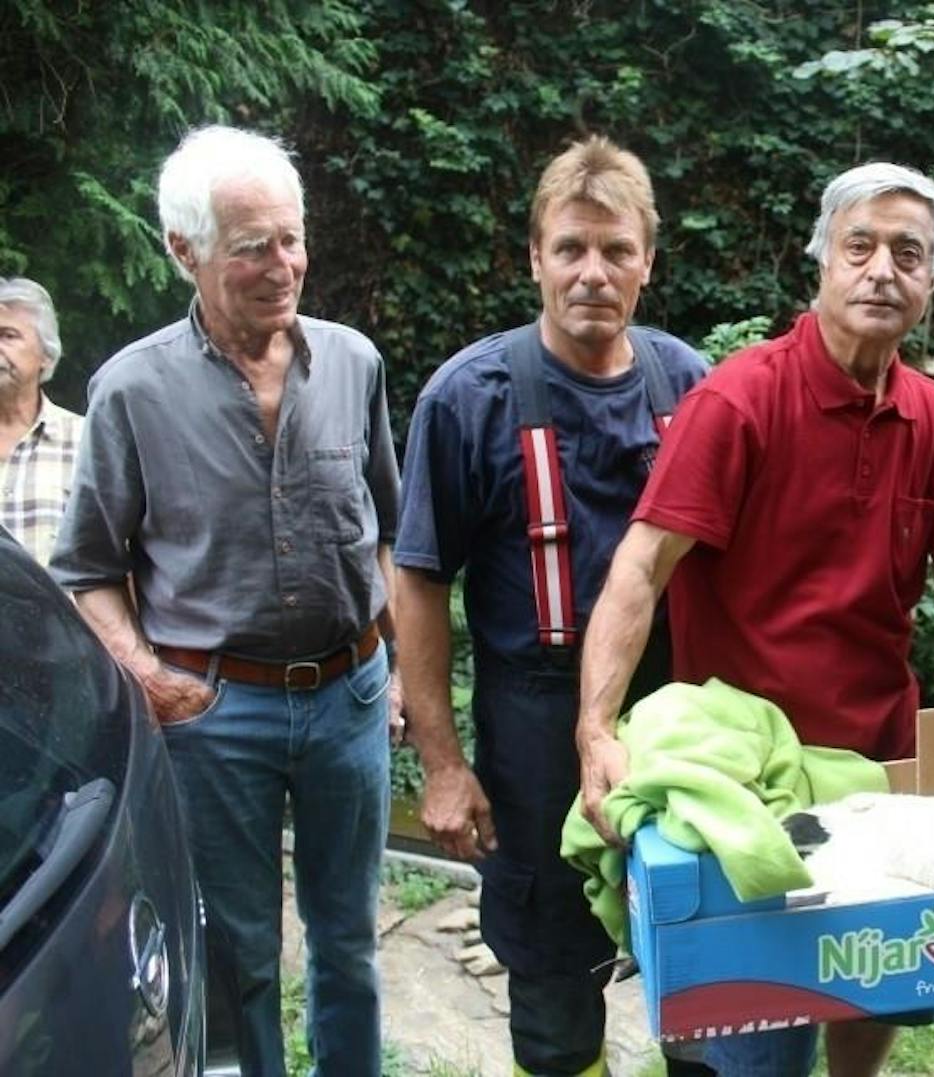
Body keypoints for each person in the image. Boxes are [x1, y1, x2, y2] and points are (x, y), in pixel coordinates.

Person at [576, 161, 934, 1077]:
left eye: (909, 254)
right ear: (823, 262)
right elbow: (641, 566)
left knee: (880, 983)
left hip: (879, 764)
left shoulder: (927, 413)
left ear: (931, 283)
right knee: (757, 1039)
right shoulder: (739, 401)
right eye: (861, 246)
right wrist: (597, 731)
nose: (882, 270)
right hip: (754, 779)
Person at [51, 125, 402, 1077]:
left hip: (350, 699)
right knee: (241, 950)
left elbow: (386, 532)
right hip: (216, 710)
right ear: (185, 250)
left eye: (291, 237)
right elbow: (88, 568)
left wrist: (394, 671)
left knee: (350, 941)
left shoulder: (355, 363)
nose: (283, 264)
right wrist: (148, 677)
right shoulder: (130, 391)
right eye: (253, 246)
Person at [392, 135, 710, 1077]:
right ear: (534, 258)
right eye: (570, 248)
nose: (592, 273)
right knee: (553, 990)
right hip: (530, 725)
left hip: (672, 715)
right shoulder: (468, 398)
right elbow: (416, 582)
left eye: (616, 251)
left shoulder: (688, 386)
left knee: (699, 960)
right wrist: (444, 767)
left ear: (648, 261)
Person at [0, 277, 82, 567]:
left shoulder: (86, 442)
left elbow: (120, 553)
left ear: (46, 355)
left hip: (59, 613)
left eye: (8, 335)